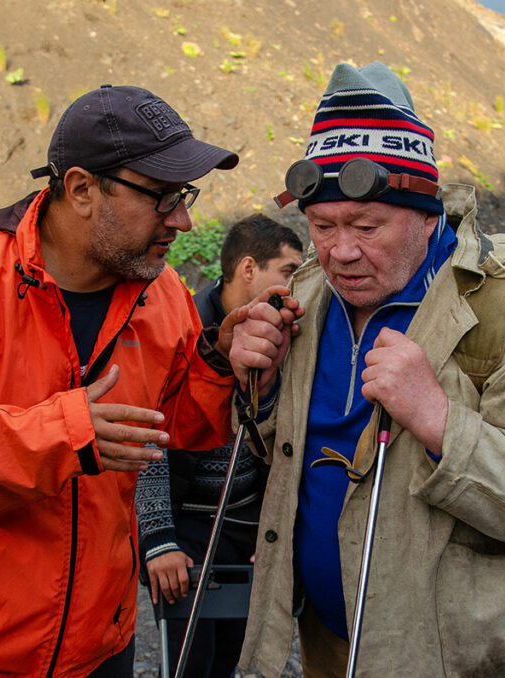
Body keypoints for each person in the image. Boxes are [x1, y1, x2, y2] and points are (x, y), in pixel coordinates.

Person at [0, 84, 245, 678]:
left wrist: (221, 364)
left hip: (102, 649)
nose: (184, 221)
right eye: (162, 198)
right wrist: (65, 434)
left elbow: (177, 425)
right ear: (83, 189)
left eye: (185, 196)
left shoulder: (163, 295)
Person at [229, 62, 505, 677]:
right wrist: (262, 393)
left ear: (428, 216)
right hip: (336, 651)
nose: (342, 251)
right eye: (322, 227)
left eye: (368, 227)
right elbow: (286, 460)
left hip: (470, 664)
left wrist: (439, 420)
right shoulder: (307, 303)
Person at [134, 214, 303, 677]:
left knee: (232, 656)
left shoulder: (288, 334)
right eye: (288, 272)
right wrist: (158, 541)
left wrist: (272, 531)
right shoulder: (181, 327)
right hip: (189, 526)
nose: (297, 286)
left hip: (245, 523)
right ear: (249, 268)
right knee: (189, 660)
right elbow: (151, 432)